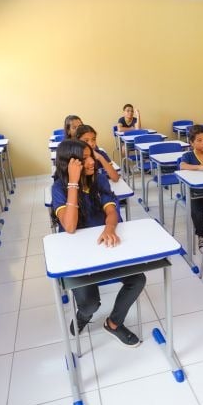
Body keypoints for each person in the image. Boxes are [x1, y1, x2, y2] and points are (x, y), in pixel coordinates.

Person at [52, 139, 145, 346]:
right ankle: (83, 317)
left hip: (103, 247)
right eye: (84, 158)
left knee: (137, 279)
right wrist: (73, 183)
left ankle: (113, 323)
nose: (92, 162)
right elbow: (70, 226)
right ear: (69, 163)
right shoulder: (59, 187)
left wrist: (109, 228)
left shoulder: (99, 180)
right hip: (78, 255)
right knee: (90, 304)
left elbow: (111, 211)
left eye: (91, 156)